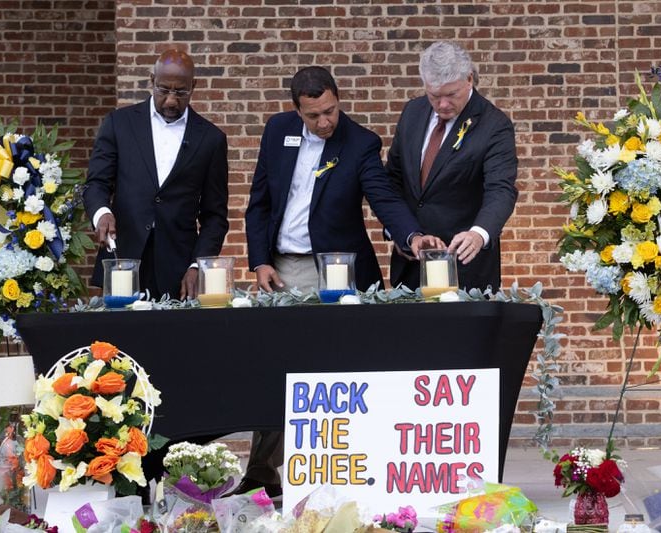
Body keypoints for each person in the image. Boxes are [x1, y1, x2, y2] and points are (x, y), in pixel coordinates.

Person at [237, 66, 443, 497]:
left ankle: (348, 471)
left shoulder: (361, 142)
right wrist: (259, 261)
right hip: (283, 268)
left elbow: (382, 196)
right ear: (298, 110)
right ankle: (262, 474)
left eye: (330, 111)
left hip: (338, 270)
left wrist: (411, 235)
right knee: (277, 367)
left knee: (341, 372)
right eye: (314, 116)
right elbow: (258, 203)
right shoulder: (277, 131)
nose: (325, 122)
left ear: (337, 99)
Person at [83, 49, 229, 300]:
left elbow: (214, 216)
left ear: (193, 86)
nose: (171, 100)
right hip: (123, 262)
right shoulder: (120, 123)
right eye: (164, 90)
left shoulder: (211, 139)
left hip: (179, 271)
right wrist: (101, 213)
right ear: (152, 81)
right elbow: (96, 183)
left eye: (181, 92)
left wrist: (197, 265)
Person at [386, 41, 518, 293]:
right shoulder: (413, 112)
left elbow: (501, 189)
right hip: (411, 265)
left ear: (469, 79)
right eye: (434, 96)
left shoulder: (494, 125)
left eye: (451, 95)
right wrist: (405, 233)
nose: (443, 105)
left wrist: (479, 234)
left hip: (464, 268)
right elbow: (393, 178)